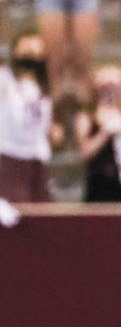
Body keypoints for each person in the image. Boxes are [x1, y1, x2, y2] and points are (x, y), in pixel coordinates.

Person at [74, 66, 121, 202]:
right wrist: (104, 133)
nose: (110, 92)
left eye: (114, 87)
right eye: (105, 87)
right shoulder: (87, 116)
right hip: (98, 183)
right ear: (96, 88)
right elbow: (83, 155)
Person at [0, 31, 57, 202]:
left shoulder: (43, 87)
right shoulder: (4, 79)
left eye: (36, 52)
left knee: (42, 214)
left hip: (36, 158)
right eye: (27, 52)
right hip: (10, 155)